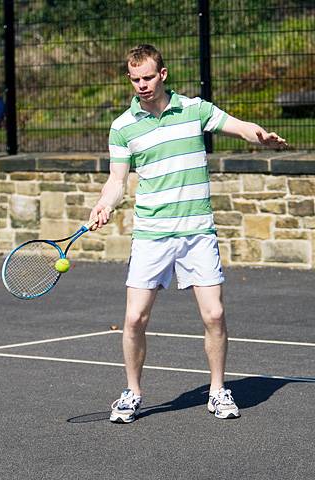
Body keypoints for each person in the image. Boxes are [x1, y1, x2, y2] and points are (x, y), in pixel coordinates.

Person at [89, 44, 287, 423]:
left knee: (214, 315)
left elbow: (236, 125)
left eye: (148, 77)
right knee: (134, 320)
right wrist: (104, 204)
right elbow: (117, 181)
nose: (142, 85)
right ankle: (132, 393)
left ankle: (218, 391)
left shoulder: (194, 109)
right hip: (151, 234)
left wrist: (257, 135)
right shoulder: (122, 126)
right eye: (135, 80)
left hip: (197, 230)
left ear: (162, 74)